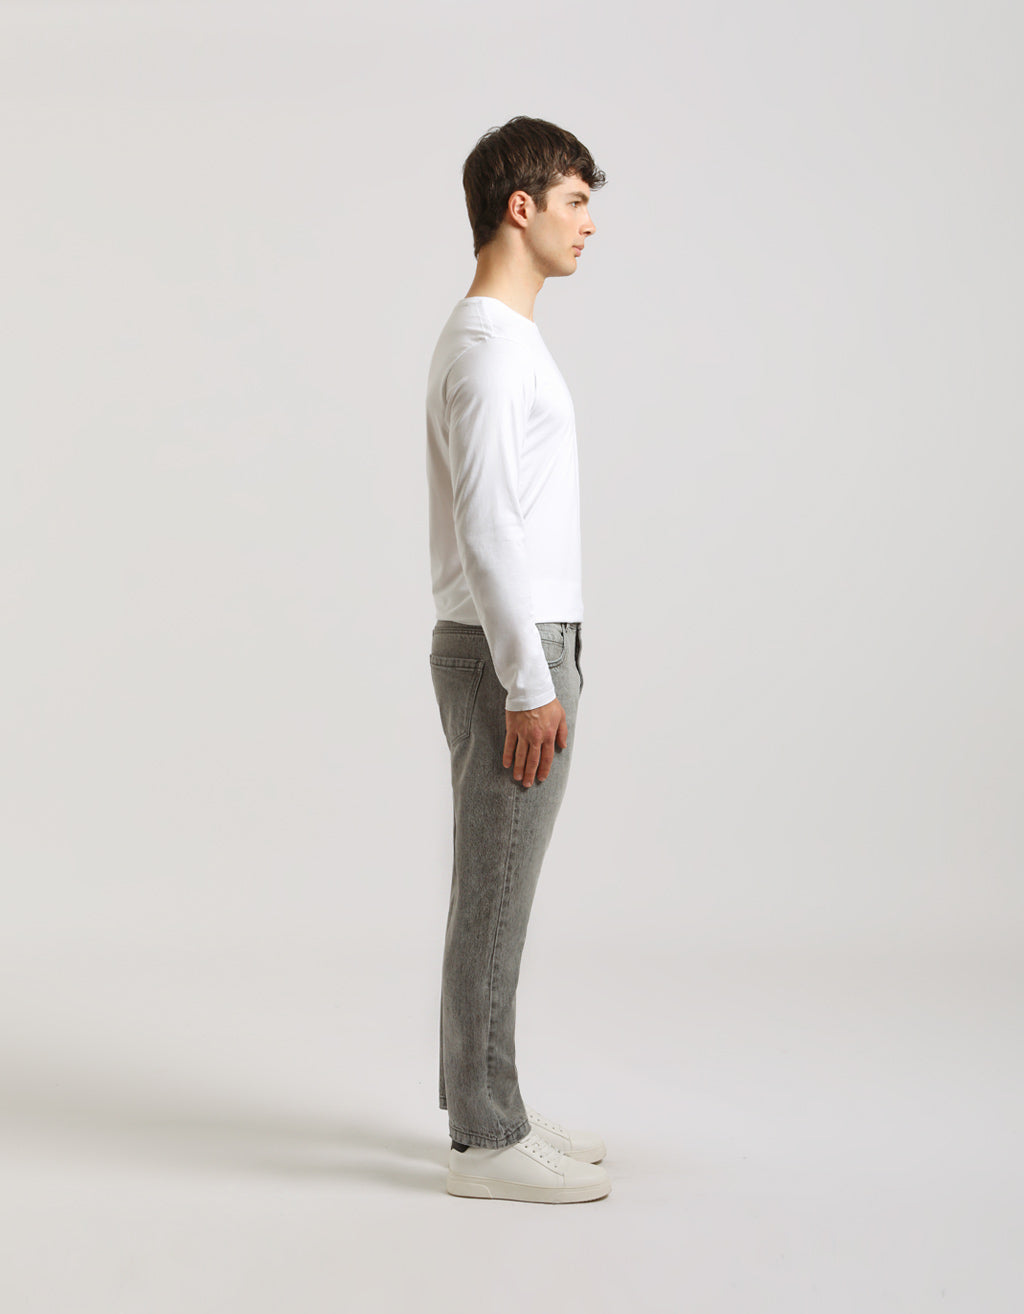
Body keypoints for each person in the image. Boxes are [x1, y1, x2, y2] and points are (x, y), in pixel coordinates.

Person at [425, 116, 610, 1203]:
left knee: (494, 891)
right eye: (577, 201)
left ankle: (493, 1108)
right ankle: (486, 1141)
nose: (590, 224)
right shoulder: (489, 348)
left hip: (525, 643)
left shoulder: (507, 338)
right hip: (512, 652)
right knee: (494, 896)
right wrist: (529, 683)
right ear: (521, 205)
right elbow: (488, 527)